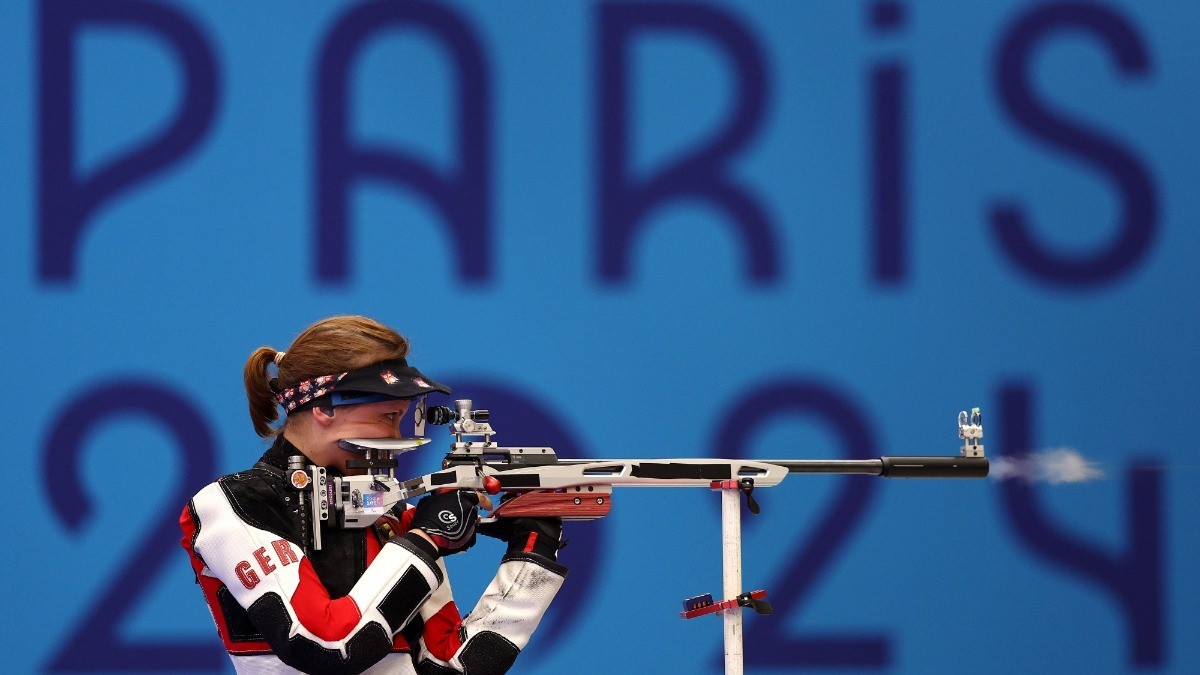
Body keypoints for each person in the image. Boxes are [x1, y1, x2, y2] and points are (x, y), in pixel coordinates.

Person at [180, 316, 567, 674]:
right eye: (387, 416)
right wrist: (425, 541)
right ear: (325, 407)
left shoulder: (389, 514)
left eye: (401, 417)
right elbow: (327, 646)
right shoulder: (234, 502)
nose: (396, 436)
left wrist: (532, 554)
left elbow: (453, 665)